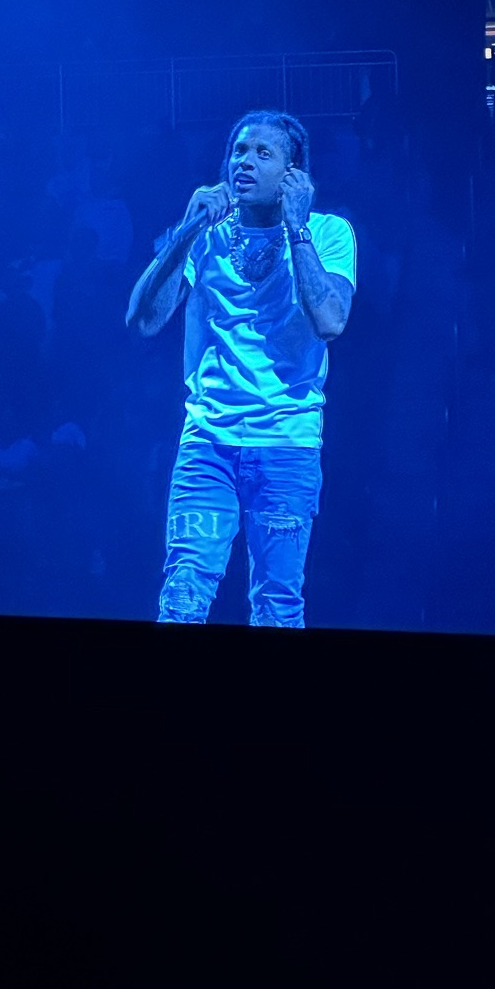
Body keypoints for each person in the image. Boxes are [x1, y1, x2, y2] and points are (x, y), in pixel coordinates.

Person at [125, 111, 356, 626]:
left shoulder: (328, 232)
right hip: (207, 442)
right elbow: (143, 321)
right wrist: (186, 230)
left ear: (293, 175)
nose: (244, 162)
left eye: (262, 153)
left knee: (277, 603)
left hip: (287, 443)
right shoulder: (205, 235)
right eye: (238, 151)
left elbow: (330, 320)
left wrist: (296, 226)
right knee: (182, 595)